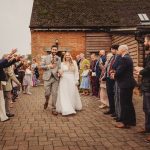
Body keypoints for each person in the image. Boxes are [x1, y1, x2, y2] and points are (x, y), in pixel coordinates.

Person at [111, 45, 136, 128]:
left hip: (125, 84)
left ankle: (125, 123)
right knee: (129, 103)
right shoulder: (128, 57)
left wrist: (114, 75)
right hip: (129, 83)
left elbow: (120, 70)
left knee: (124, 103)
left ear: (122, 50)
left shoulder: (125, 58)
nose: (118, 51)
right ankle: (132, 121)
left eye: (118, 50)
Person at [135, 34, 150, 142]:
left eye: (145, 41)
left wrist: (140, 70)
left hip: (149, 86)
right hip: (146, 85)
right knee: (146, 109)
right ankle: (147, 128)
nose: (144, 43)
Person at [41, 45, 61, 115]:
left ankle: (54, 108)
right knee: (47, 93)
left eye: (55, 50)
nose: (54, 51)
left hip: (55, 78)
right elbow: (41, 66)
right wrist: (48, 66)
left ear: (57, 51)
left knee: (55, 93)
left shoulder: (59, 58)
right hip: (47, 78)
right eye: (53, 49)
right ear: (51, 50)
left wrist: (60, 71)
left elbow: (59, 67)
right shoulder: (45, 57)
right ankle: (46, 101)